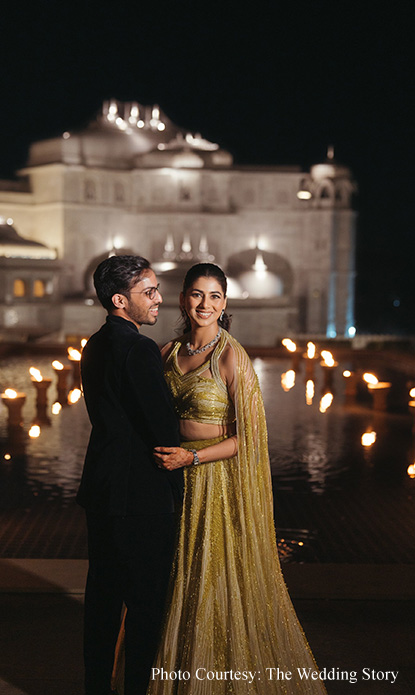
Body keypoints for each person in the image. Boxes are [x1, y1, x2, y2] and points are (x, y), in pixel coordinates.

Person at [149, 263, 327, 694]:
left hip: (213, 478)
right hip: (174, 480)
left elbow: (249, 439)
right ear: (182, 298)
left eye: (214, 296)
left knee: (213, 573)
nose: (204, 304)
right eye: (196, 294)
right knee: (177, 578)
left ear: (225, 303)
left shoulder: (232, 356)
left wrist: (191, 458)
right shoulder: (167, 352)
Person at [77, 255, 183, 695]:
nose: (159, 299)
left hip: (102, 489)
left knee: (102, 601)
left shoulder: (95, 344)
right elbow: (161, 427)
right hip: (138, 496)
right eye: (149, 292)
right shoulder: (137, 348)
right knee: (145, 605)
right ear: (121, 300)